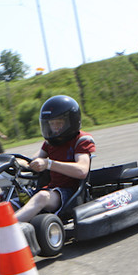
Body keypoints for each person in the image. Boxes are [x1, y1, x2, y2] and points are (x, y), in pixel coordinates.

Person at [14, 95, 96, 223]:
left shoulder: (81, 140)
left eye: (59, 122)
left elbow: (82, 170)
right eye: (52, 124)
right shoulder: (50, 143)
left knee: (41, 196)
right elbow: (32, 162)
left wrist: (48, 164)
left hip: (71, 193)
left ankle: (5, 228)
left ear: (71, 121)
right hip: (52, 190)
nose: (55, 127)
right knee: (10, 200)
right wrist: (14, 164)